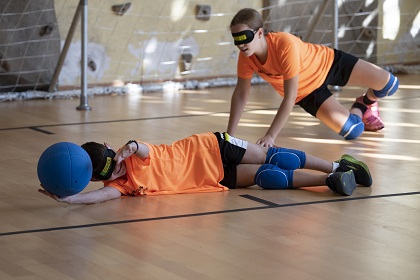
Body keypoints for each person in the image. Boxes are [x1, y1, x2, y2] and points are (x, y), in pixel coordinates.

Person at [38, 132, 372, 204]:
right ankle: (331, 179)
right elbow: (99, 197)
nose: (117, 173)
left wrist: (127, 150)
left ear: (114, 150)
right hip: (215, 177)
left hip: (213, 145)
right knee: (269, 177)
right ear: (98, 178)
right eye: (109, 174)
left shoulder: (135, 154)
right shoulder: (124, 185)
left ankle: (340, 163)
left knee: (278, 157)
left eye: (116, 164)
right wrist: (67, 200)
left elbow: (139, 147)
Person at [227, 8, 399, 147]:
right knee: (353, 130)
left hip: (327, 63)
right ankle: (361, 106)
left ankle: (369, 100)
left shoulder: (284, 45)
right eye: (236, 39)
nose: (240, 44)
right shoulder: (246, 58)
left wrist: (270, 136)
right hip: (307, 93)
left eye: (245, 38)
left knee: (390, 84)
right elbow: (241, 94)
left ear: (259, 33)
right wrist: (230, 136)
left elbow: (289, 97)